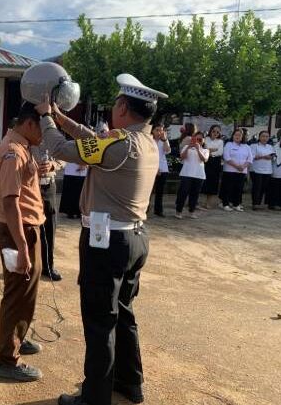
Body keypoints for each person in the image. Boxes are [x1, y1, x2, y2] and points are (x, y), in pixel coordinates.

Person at [35, 73, 168, 405]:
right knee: (123, 314)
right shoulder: (145, 142)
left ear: (122, 107)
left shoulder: (119, 144)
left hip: (106, 243)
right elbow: (94, 139)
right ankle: (129, 384)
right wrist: (63, 117)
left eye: (115, 104)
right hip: (135, 239)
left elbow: (60, 148)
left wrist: (46, 117)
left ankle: (94, 398)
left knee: (99, 321)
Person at [0, 102, 45, 382]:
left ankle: (16, 338)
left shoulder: (22, 147)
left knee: (26, 294)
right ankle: (7, 360)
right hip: (18, 231)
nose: (45, 134)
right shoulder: (14, 151)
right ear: (29, 124)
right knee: (16, 295)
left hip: (25, 229)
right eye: (43, 127)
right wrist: (23, 247)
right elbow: (11, 204)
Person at [31, 142, 64, 281]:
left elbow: (64, 157)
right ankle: (30, 267)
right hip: (31, 186)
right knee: (30, 227)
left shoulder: (53, 138)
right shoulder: (27, 137)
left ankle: (48, 267)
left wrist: (53, 164)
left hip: (49, 185)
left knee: (49, 228)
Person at [174, 131, 209, 219]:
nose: (198, 141)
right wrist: (189, 147)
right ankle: (178, 211)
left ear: (203, 140)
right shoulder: (186, 147)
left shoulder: (205, 150)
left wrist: (198, 149)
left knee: (195, 194)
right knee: (183, 193)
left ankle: (191, 211)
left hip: (199, 174)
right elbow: (182, 157)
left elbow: (204, 160)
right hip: (186, 173)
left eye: (200, 139)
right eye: (196, 139)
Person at [219, 128, 253, 212]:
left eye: (239, 135)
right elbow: (227, 157)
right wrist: (237, 166)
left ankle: (236, 204)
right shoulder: (229, 144)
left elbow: (250, 159)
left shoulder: (246, 146)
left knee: (239, 188)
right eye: (236, 135)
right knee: (227, 188)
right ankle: (225, 204)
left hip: (241, 171)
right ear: (233, 136)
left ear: (242, 137)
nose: (237, 136)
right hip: (229, 170)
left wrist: (243, 166)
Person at [249, 130, 276, 210]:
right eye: (263, 136)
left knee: (263, 188)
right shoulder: (254, 146)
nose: (265, 138)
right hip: (256, 170)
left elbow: (274, 157)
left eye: (267, 136)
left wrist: (270, 157)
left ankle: (259, 202)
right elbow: (252, 157)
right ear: (259, 137)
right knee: (257, 187)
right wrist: (264, 157)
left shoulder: (270, 147)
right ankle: (255, 204)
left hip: (267, 170)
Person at [200, 124, 224, 209]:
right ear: (210, 131)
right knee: (203, 181)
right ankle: (200, 202)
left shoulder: (220, 141)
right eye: (214, 131)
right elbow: (203, 149)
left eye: (218, 132)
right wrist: (211, 150)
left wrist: (209, 151)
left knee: (213, 182)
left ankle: (208, 202)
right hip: (206, 161)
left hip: (216, 163)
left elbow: (220, 152)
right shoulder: (205, 139)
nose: (215, 133)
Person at [150, 123, 170, 217]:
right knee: (148, 191)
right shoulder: (149, 140)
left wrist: (165, 140)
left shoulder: (164, 140)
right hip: (150, 168)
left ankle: (158, 210)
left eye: (161, 130)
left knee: (160, 191)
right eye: (157, 130)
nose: (159, 132)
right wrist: (155, 168)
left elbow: (168, 150)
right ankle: (144, 210)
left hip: (163, 168)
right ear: (152, 130)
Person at [266, 134, 281, 210]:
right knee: (274, 188)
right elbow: (271, 157)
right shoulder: (274, 147)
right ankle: (272, 204)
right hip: (276, 171)